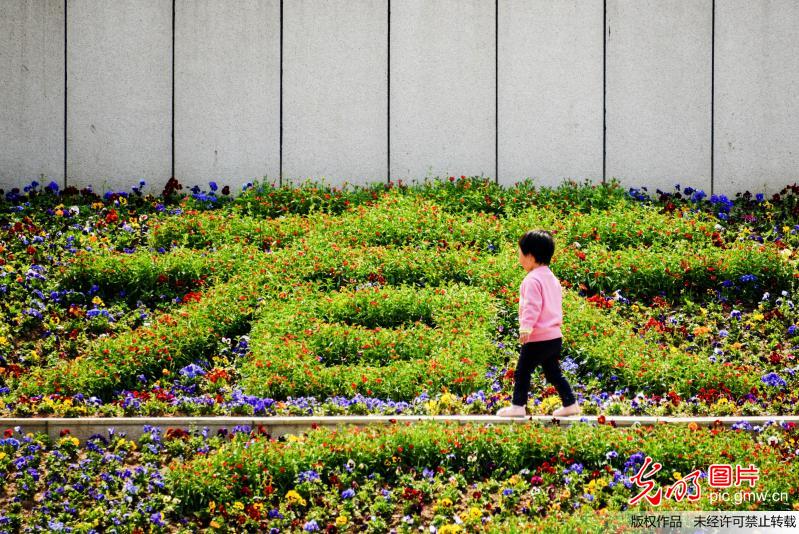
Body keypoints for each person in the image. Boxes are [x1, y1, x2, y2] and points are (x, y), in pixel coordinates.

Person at [496, 230, 580, 417]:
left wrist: (526, 327)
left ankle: (518, 406)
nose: (519, 258)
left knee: (522, 371)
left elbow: (531, 306)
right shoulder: (552, 278)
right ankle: (570, 403)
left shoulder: (532, 280)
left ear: (531, 257)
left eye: (520, 254)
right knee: (552, 372)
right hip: (554, 337)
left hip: (538, 337)